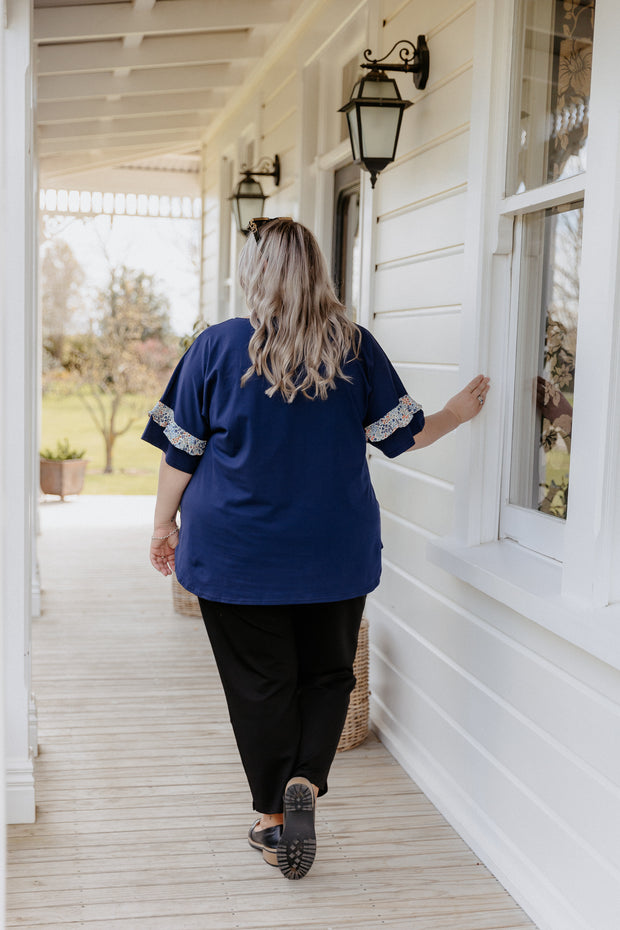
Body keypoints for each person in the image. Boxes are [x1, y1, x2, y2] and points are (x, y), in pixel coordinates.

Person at [143, 217, 490, 881]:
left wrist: (163, 525)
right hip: (333, 551)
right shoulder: (354, 347)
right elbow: (404, 438)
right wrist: (455, 412)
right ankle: (307, 774)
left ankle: (273, 819)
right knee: (328, 674)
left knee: (259, 683)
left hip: (235, 553)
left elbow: (180, 454)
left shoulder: (216, 348)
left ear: (255, 274)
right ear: (318, 272)